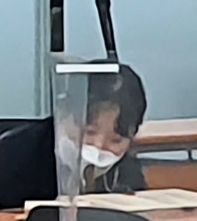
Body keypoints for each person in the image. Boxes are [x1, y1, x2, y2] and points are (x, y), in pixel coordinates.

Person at [61, 62, 151, 196]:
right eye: (89, 132)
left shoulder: (127, 173)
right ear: (64, 117)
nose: (99, 146)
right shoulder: (32, 157)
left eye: (116, 140)